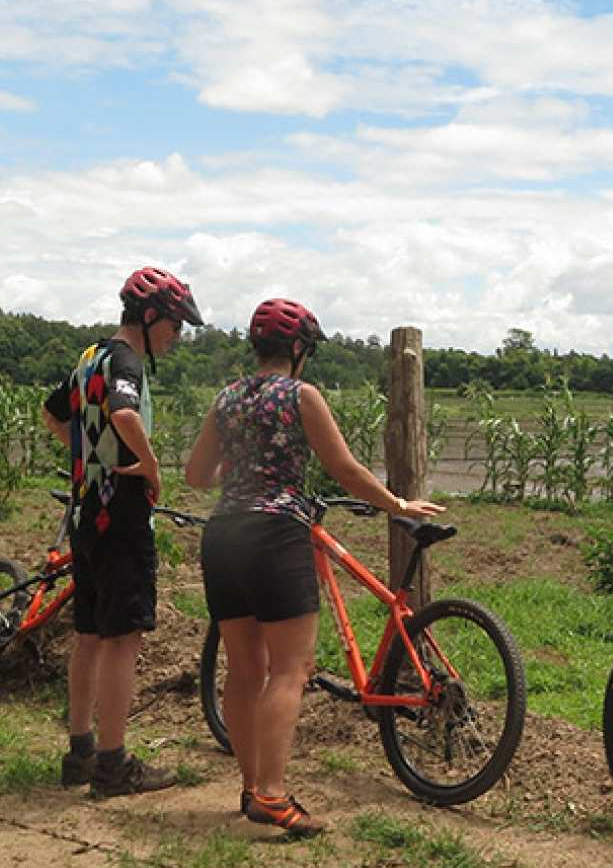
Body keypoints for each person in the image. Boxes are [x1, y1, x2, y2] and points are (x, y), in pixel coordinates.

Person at [185, 298, 442, 836]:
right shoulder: (301, 395)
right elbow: (343, 467)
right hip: (275, 534)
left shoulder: (226, 398)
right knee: (290, 670)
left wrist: (240, 476)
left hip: (224, 532)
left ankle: (252, 787)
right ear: (299, 349)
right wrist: (397, 505)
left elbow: (195, 474)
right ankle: (274, 796)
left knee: (244, 668)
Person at [43, 266, 203, 798]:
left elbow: (52, 414)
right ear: (150, 315)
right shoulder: (128, 361)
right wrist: (150, 465)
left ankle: (81, 752)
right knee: (122, 639)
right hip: (123, 516)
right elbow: (125, 414)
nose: (176, 336)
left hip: (87, 511)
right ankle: (114, 765)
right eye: (175, 325)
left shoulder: (92, 355)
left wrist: (89, 456)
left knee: (89, 635)